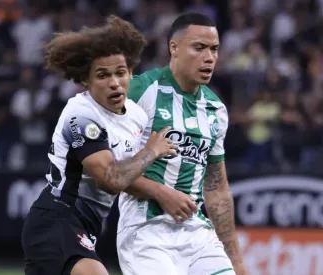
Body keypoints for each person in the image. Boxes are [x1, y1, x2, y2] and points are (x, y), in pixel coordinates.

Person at [21, 16, 178, 275]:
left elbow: (129, 176)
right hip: (57, 218)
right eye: (103, 75)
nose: (114, 82)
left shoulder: (136, 116)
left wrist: (166, 193)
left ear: (131, 73)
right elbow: (111, 179)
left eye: (120, 73)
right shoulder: (80, 115)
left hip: (87, 225)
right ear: (86, 80)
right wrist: (151, 151)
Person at [117, 13, 249, 275]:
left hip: (197, 234)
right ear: (173, 48)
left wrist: (236, 260)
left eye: (214, 49)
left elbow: (217, 188)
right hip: (146, 231)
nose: (209, 57)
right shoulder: (140, 91)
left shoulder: (215, 109)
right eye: (199, 48)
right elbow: (108, 169)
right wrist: (161, 192)